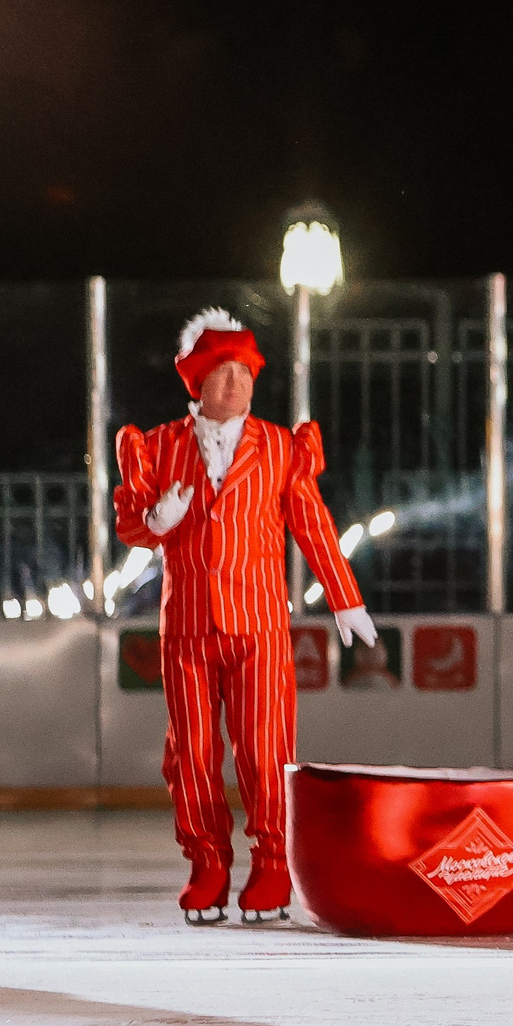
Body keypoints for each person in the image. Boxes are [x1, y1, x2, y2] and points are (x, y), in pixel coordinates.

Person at [114, 308, 378, 926]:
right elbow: (130, 525)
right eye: (222, 372)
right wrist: (157, 523)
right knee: (192, 754)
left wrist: (346, 598)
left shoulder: (282, 447)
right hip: (186, 631)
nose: (235, 384)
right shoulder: (159, 447)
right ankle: (206, 861)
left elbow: (312, 526)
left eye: (245, 372)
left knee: (265, 750)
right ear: (197, 382)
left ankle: (272, 862)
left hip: (259, 627)